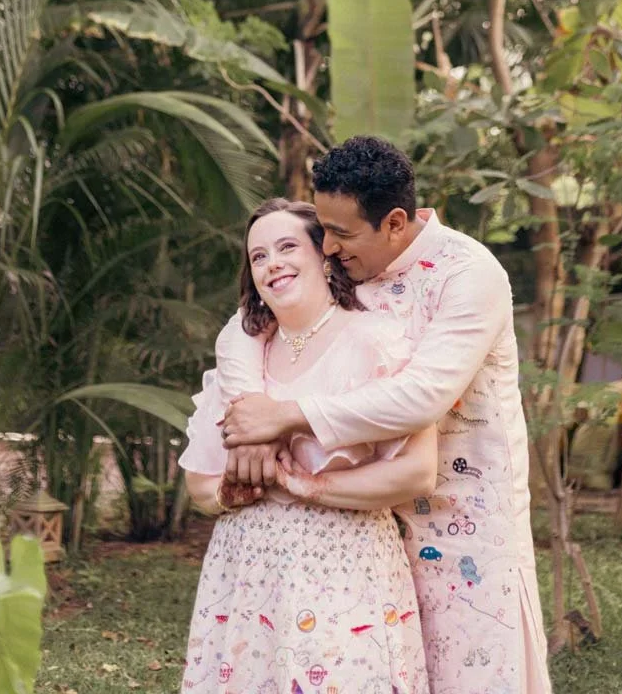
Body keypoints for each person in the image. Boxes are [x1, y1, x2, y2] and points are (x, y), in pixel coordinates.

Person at [215, 137, 551, 694]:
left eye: (340, 234)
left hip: (466, 525)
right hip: (371, 526)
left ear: (395, 222)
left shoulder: (467, 274)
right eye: (322, 230)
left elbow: (423, 394)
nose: (324, 248)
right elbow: (244, 324)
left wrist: (284, 415)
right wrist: (250, 422)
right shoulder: (351, 267)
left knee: (476, 676)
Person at [178, 198, 433, 694]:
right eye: (258, 256)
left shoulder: (376, 342)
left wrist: (302, 483)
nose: (272, 263)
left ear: (324, 255)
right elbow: (198, 483)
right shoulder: (241, 362)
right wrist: (233, 491)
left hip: (344, 568)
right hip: (246, 572)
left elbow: (416, 474)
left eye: (287, 246)